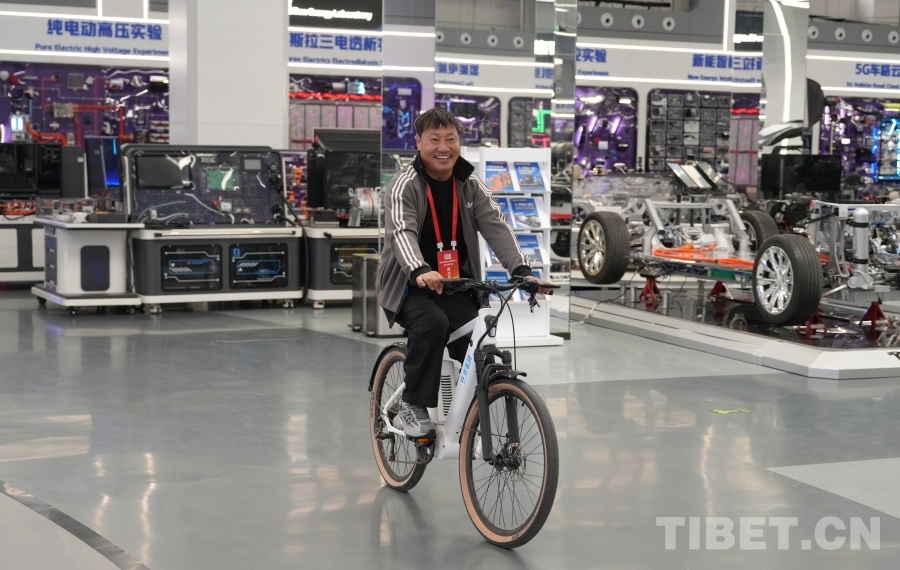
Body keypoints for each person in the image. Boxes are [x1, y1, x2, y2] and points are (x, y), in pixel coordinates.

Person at [376, 107, 550, 438]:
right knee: (432, 324)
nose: (444, 148)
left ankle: (469, 415)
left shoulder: (470, 183)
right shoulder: (404, 185)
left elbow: (496, 225)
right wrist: (420, 269)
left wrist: (522, 271)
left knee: (477, 341)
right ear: (418, 143)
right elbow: (401, 232)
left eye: (451, 139)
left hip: (454, 283)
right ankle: (412, 403)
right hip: (408, 285)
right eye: (434, 140)